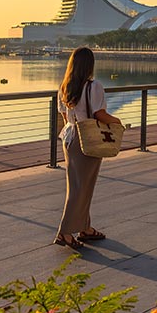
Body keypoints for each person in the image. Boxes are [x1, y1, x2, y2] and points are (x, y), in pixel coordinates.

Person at [55, 47, 122, 250]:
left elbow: (66, 117)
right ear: (89, 65)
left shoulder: (64, 87)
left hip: (70, 137)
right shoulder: (94, 87)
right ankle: (65, 233)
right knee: (80, 188)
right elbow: (99, 114)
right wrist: (117, 121)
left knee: (78, 185)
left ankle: (85, 228)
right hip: (88, 139)